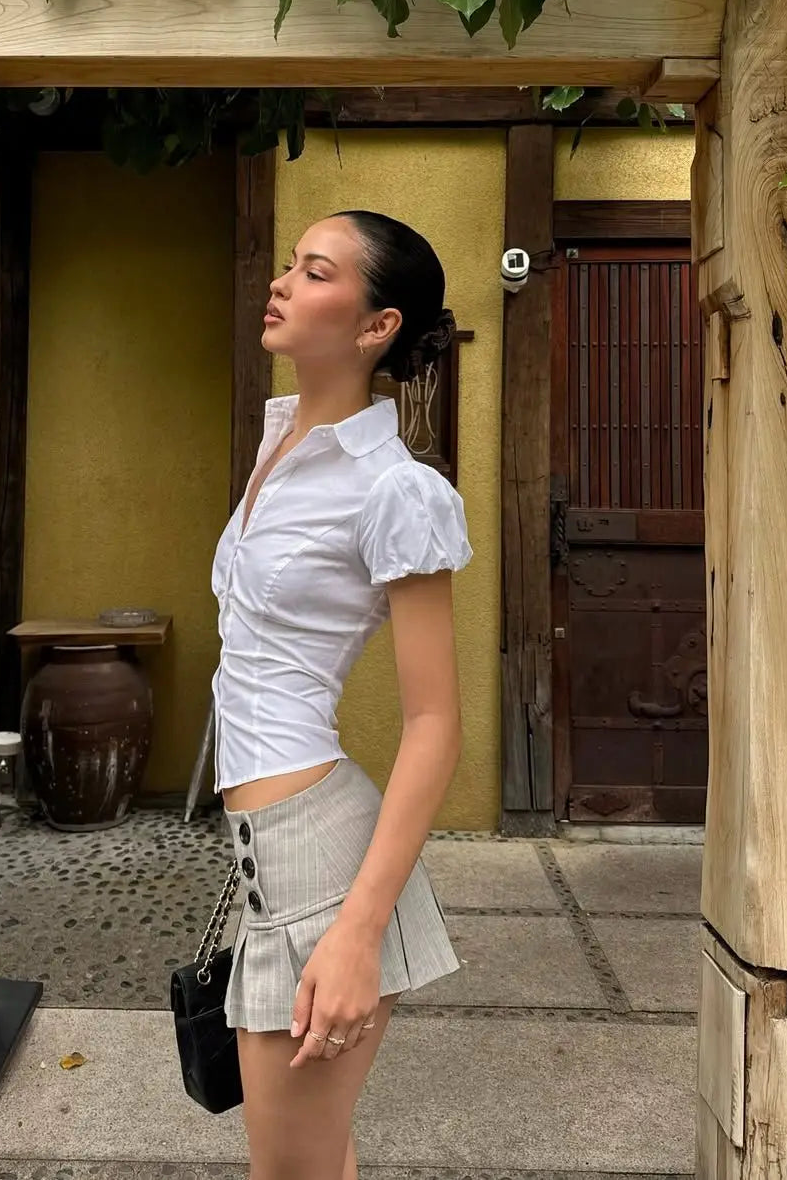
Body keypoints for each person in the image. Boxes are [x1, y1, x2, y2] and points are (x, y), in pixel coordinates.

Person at [209, 209, 472, 1180]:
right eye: (288, 264)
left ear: (375, 327)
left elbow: (437, 723)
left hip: (317, 865)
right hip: (266, 852)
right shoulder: (281, 444)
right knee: (316, 1159)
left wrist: (359, 932)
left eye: (314, 271)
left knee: (291, 1173)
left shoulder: (394, 489)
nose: (281, 282)